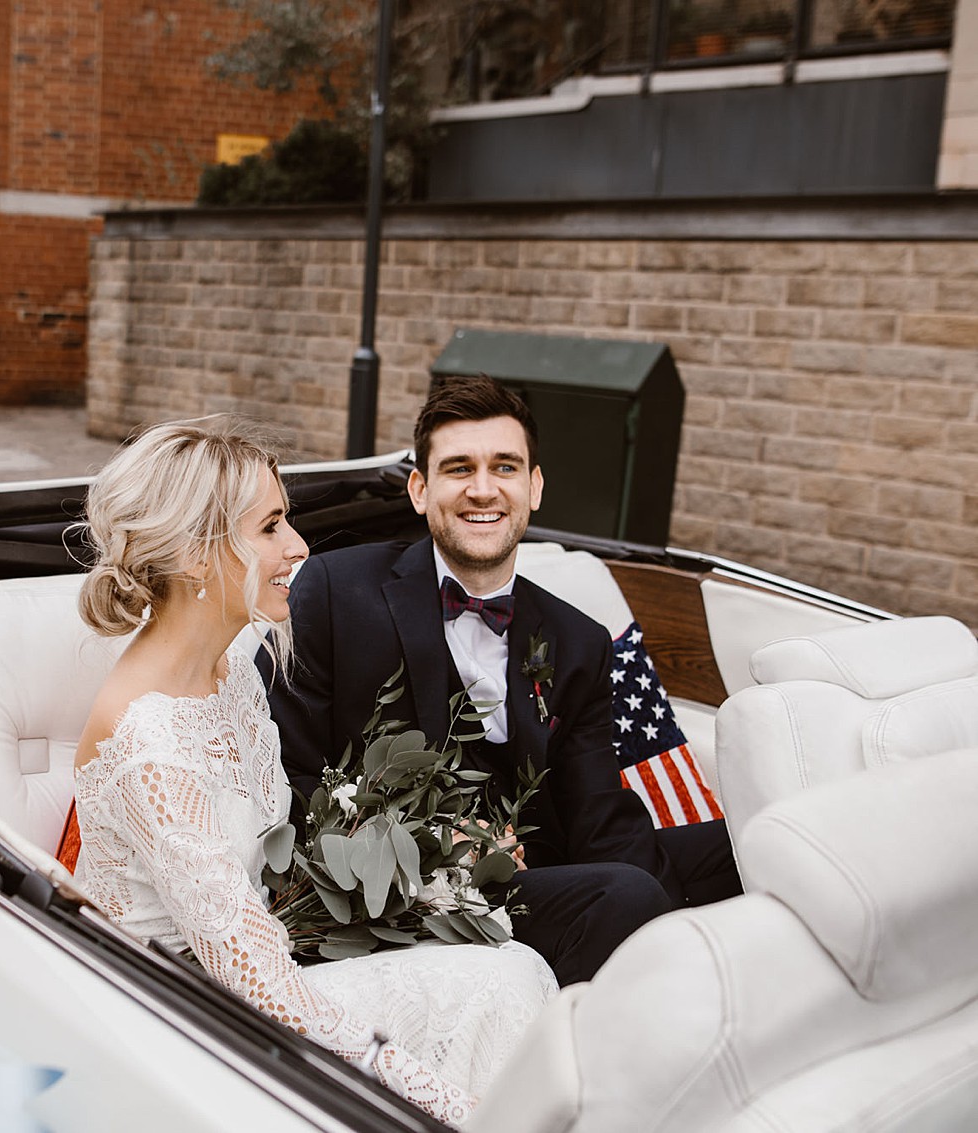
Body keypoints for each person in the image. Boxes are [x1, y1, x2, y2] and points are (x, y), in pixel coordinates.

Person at [69, 417, 555, 1125]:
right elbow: (260, 990)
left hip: (256, 973)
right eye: (269, 527)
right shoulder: (151, 746)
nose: (298, 547)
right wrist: (447, 1107)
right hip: (189, 1023)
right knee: (504, 988)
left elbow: (272, 867)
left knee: (512, 965)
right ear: (198, 555)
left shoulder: (228, 670)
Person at [268, 375, 742, 987]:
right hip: (402, 891)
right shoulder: (336, 589)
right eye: (459, 468)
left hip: (543, 870)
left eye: (505, 467)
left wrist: (664, 903)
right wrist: (422, 846)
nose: (483, 490)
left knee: (749, 843)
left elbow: (598, 814)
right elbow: (291, 774)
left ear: (534, 487)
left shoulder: (578, 641)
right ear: (420, 489)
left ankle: (693, 966)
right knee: (623, 896)